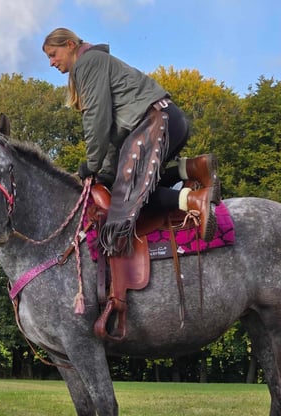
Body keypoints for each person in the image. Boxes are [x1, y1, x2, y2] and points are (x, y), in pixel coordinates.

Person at [42, 27, 221, 256]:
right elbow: (115, 138)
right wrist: (105, 174)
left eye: (53, 54)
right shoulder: (97, 61)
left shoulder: (87, 63)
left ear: (69, 45)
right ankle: (193, 168)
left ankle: (196, 200)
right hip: (168, 119)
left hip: (154, 126)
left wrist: (91, 164)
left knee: (128, 201)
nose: (51, 62)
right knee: (129, 184)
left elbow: (97, 117)